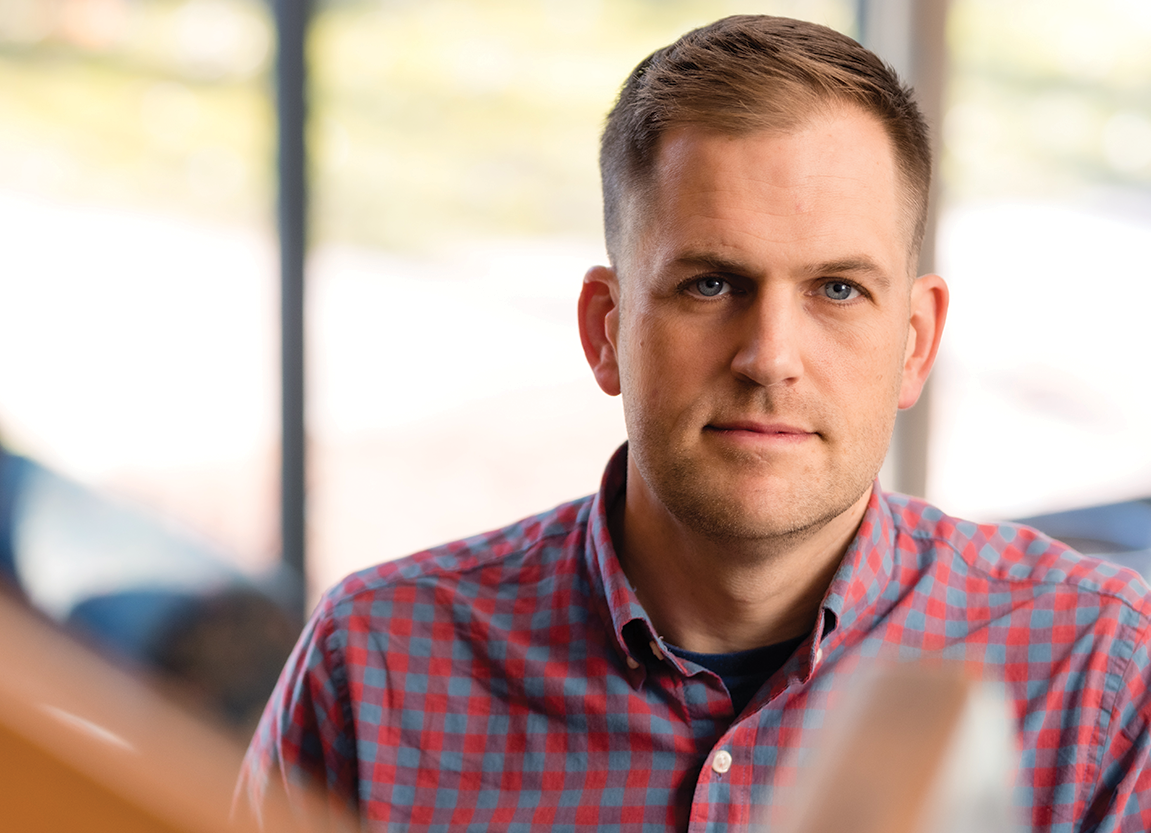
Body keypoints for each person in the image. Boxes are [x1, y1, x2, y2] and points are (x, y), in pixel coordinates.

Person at [240, 15, 1151, 832]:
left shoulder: (1105, 680)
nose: (769, 355)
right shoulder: (374, 669)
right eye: (711, 284)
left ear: (914, 343)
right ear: (607, 329)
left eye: (838, 289)